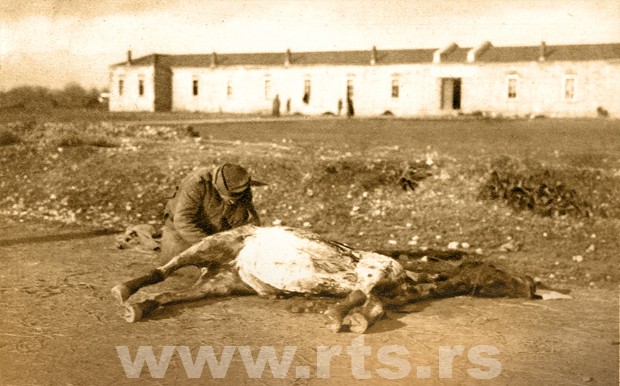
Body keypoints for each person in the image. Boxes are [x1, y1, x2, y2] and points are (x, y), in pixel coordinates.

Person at [161, 163, 264, 258]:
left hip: (213, 230)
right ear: (216, 186)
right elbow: (182, 221)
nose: (233, 202)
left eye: (235, 198)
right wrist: (211, 246)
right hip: (182, 231)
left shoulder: (241, 185)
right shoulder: (197, 184)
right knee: (183, 273)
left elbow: (249, 220)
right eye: (229, 198)